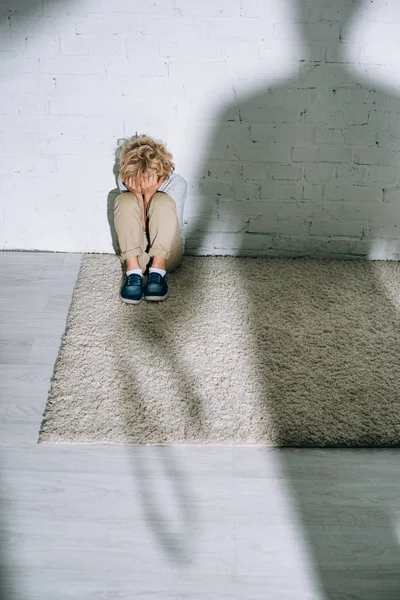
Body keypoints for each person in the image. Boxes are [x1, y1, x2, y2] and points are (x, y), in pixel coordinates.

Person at [114, 135, 187, 304]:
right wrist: (139, 196)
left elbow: (167, 230)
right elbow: (134, 228)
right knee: (124, 201)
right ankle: (133, 273)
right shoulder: (127, 178)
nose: (141, 182)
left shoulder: (177, 184)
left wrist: (150, 195)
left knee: (162, 201)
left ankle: (158, 272)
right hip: (134, 254)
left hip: (168, 255)